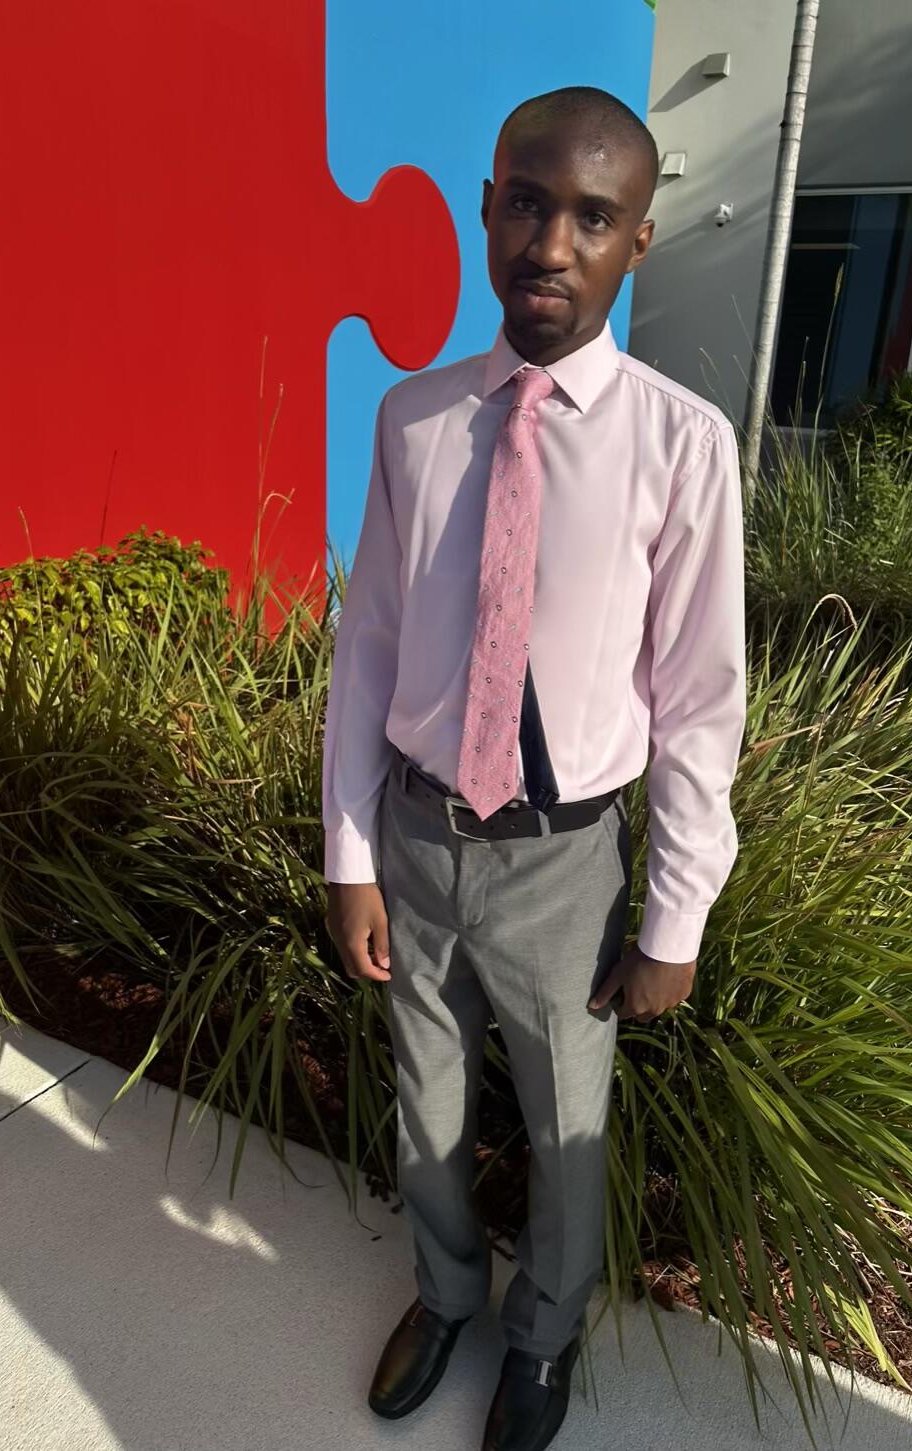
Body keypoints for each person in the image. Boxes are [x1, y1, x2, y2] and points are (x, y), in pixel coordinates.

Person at [322, 84, 746, 1451]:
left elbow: (700, 702)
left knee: (568, 1122)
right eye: (525, 203)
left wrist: (676, 920)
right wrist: (350, 856)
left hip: (565, 863)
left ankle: (544, 1335)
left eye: (593, 217)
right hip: (417, 833)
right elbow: (370, 647)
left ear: (640, 241)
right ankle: (447, 1291)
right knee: (426, 1102)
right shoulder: (416, 419)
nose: (550, 244)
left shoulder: (681, 444)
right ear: (487, 209)